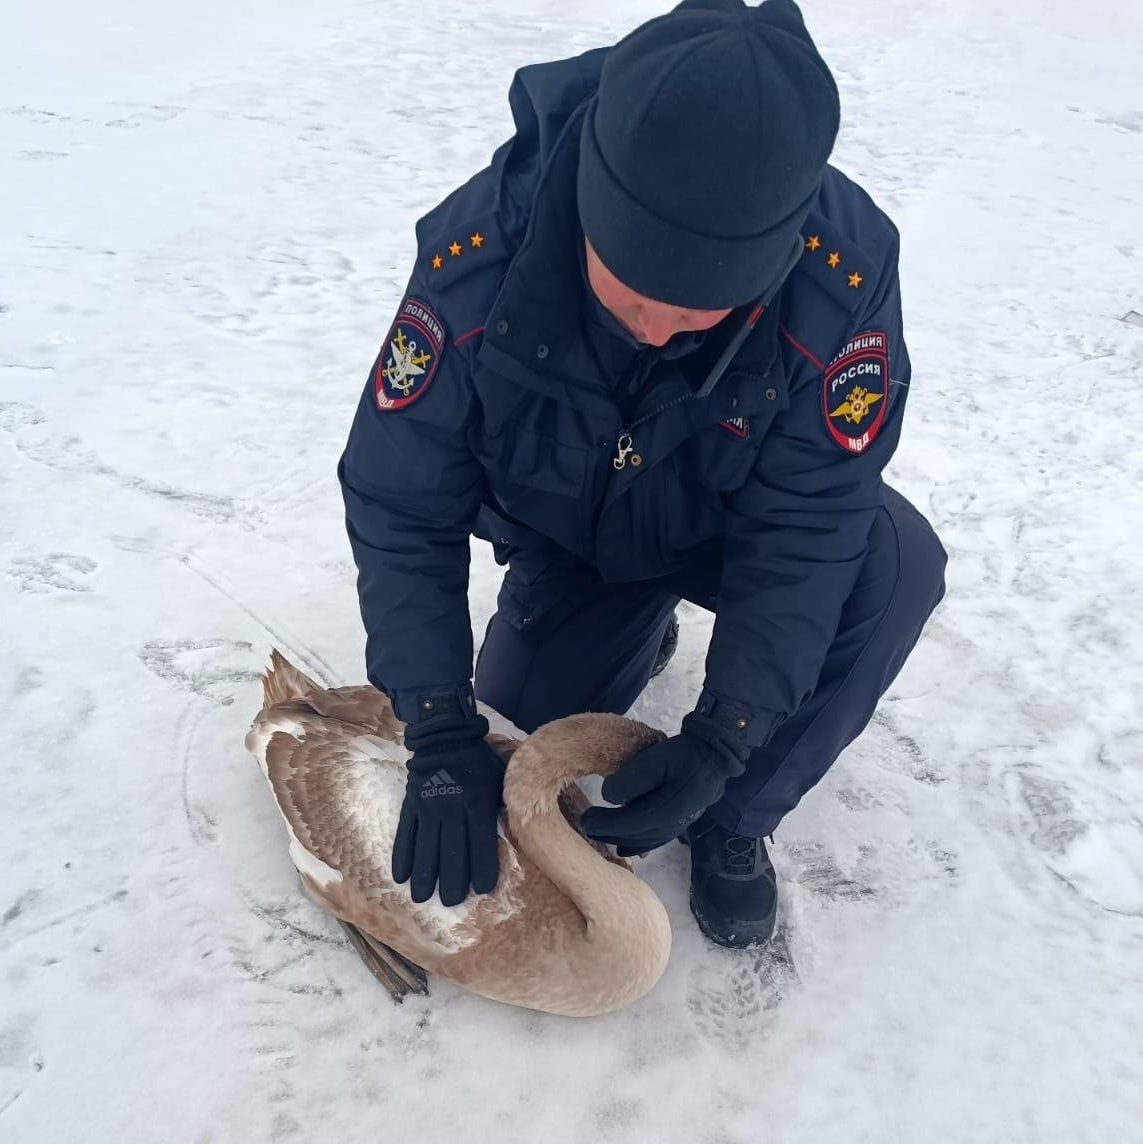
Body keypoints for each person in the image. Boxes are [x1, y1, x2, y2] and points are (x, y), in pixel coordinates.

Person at [338, 0, 947, 947]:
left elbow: (810, 524)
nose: (659, 333)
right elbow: (399, 497)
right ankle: (622, 626)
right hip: (572, 535)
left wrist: (726, 737)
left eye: (698, 315)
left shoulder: (841, 278)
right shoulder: (480, 253)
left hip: (726, 528)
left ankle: (737, 822)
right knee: (513, 765)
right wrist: (437, 729)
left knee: (894, 563)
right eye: (629, 298)